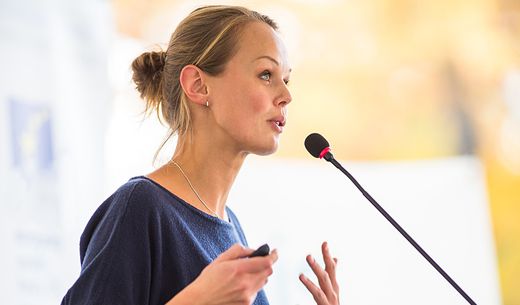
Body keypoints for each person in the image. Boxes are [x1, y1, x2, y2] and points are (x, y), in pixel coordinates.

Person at [61, 5, 340, 305]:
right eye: (265, 74)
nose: (286, 95)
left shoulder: (232, 228)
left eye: (286, 79)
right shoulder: (140, 208)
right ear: (198, 85)